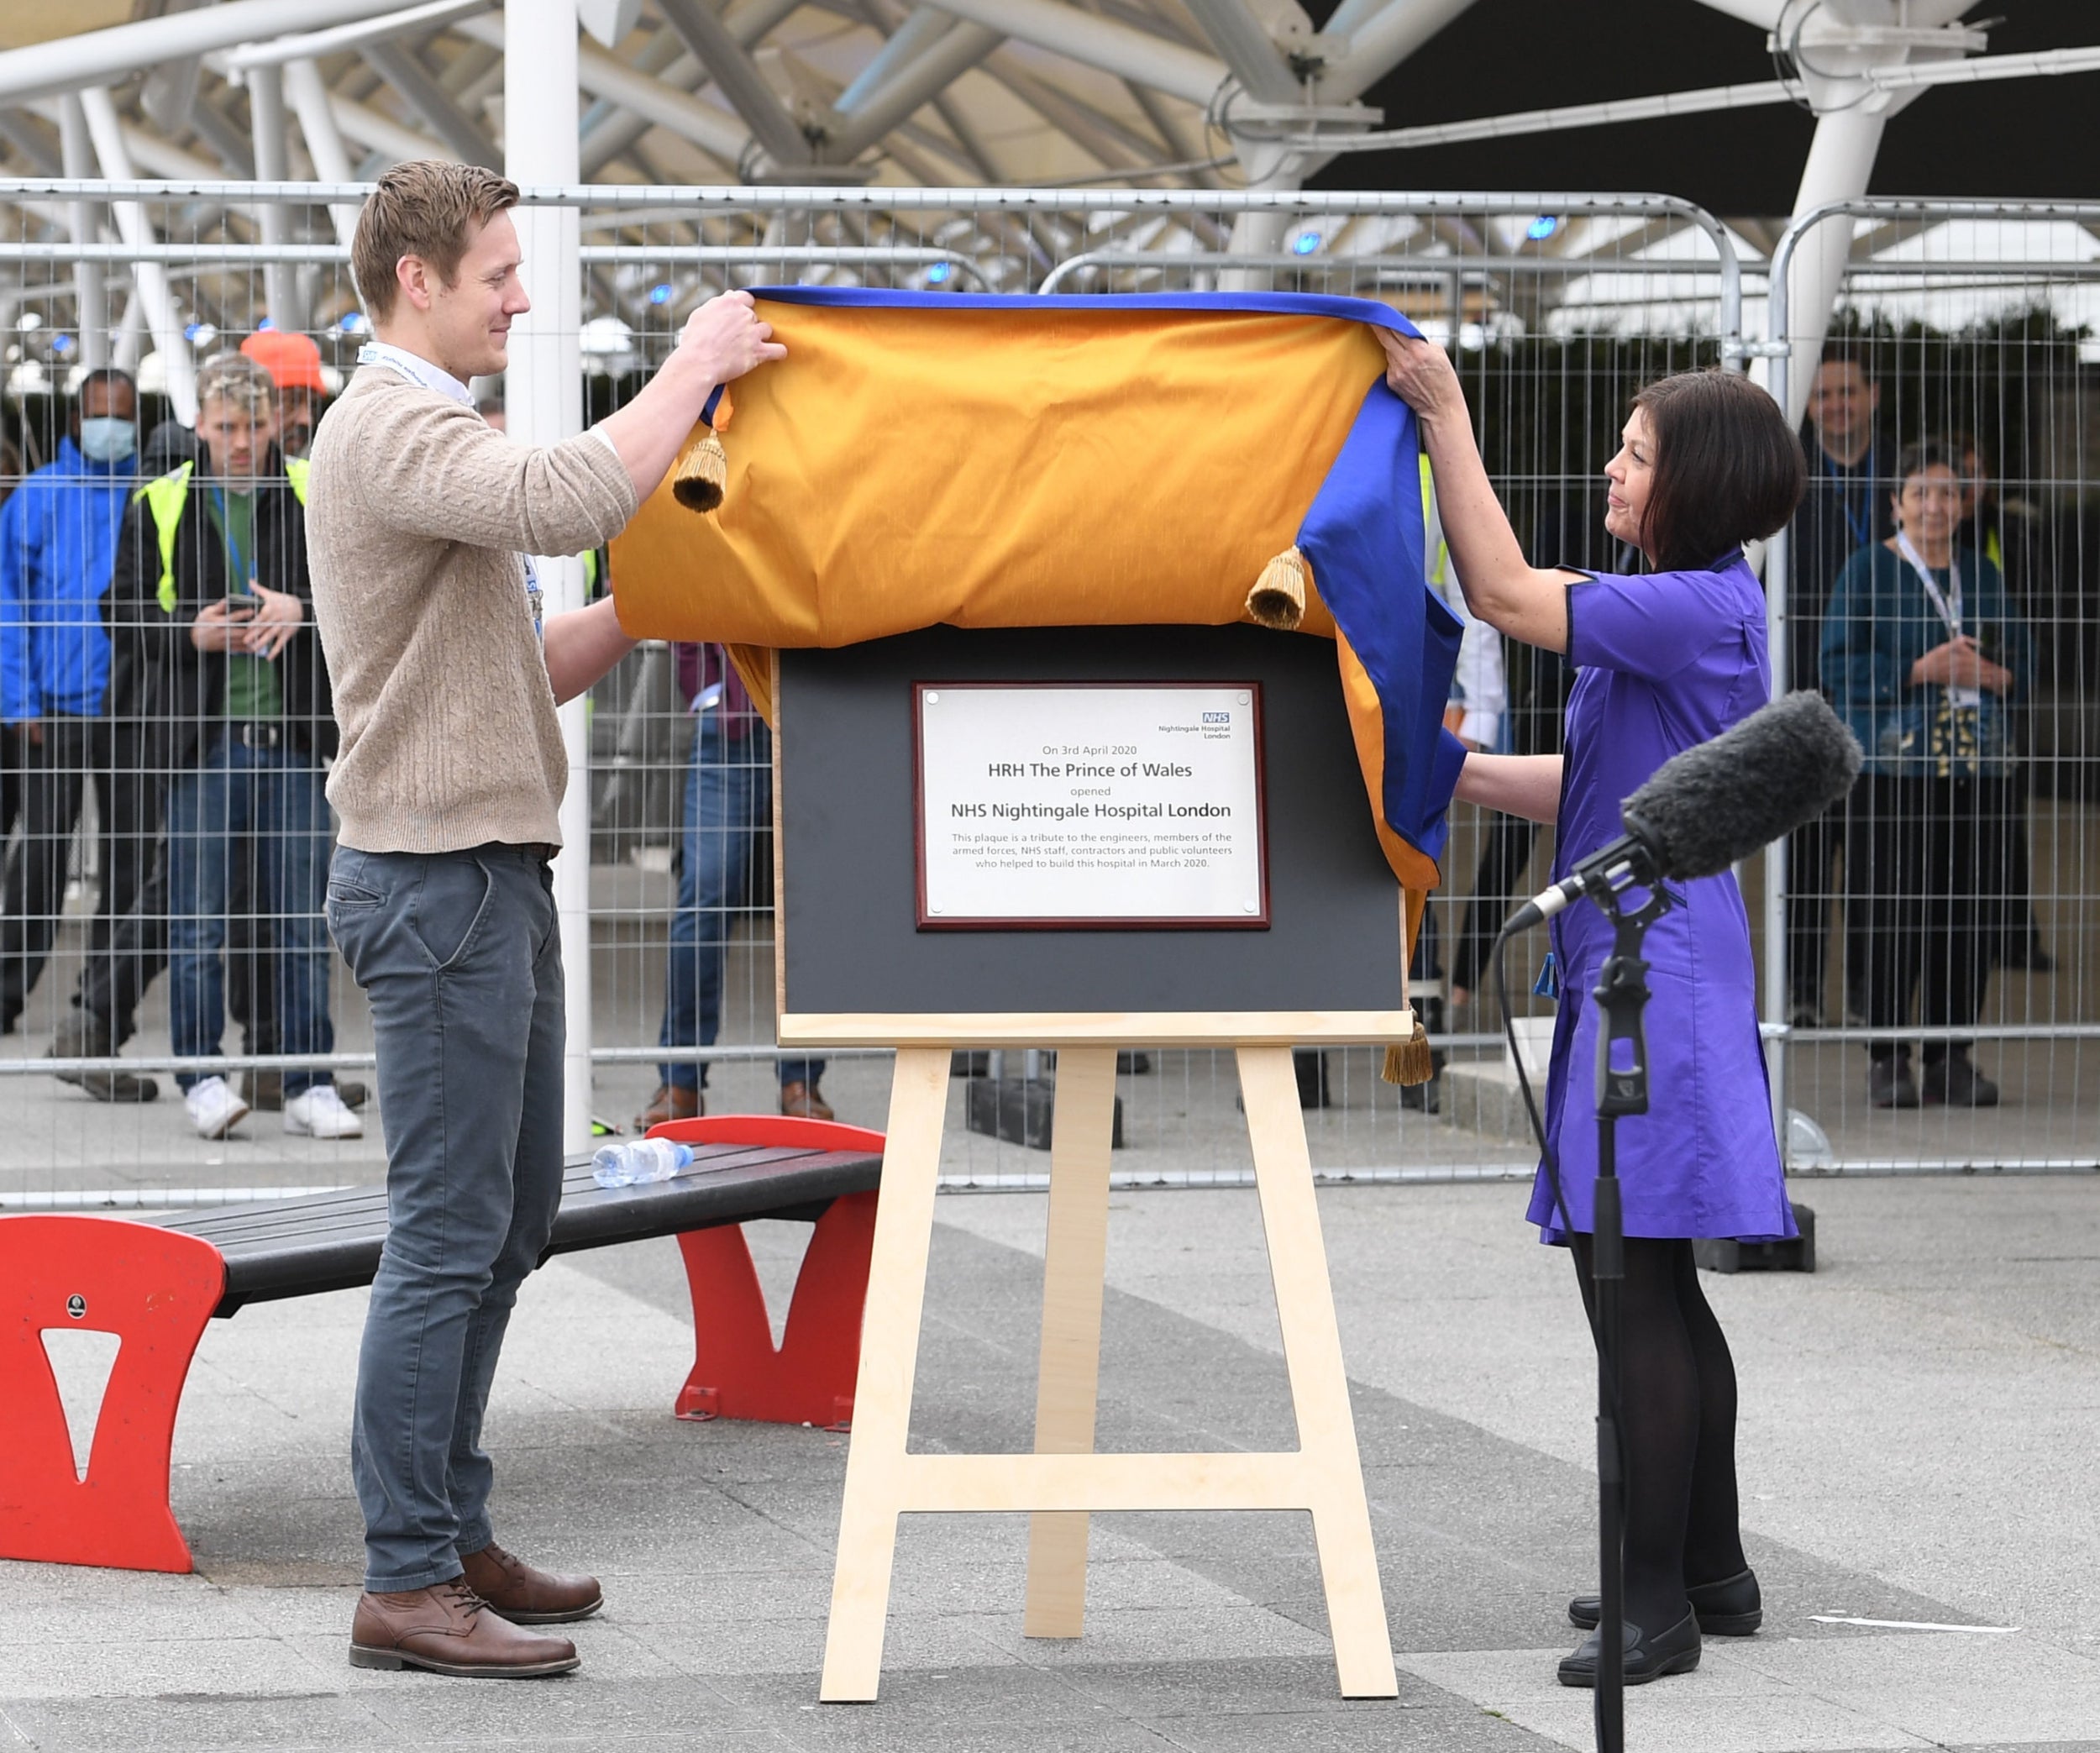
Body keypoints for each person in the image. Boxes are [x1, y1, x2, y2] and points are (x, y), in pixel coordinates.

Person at [306, 160, 781, 1680]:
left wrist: (653, 602)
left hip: (485, 875)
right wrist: (694, 368)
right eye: (500, 272)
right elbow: (565, 494)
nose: (520, 295)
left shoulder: (425, 427)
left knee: (502, 1227)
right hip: (437, 883)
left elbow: (530, 660)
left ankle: (446, 1532)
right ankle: (403, 1576)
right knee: (448, 1241)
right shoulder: (391, 425)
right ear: (418, 279)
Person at [1382, 338, 1803, 1689]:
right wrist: (1444, 770)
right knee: (1661, 1279)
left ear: (1694, 481)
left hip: (1655, 973)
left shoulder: (1684, 602)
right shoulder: (1686, 603)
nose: (1614, 468)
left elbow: (1500, 588)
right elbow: (1599, 775)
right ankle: (1708, 1571)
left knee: (1627, 1285)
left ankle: (1654, 1608)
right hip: (1659, 957)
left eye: (1634, 452)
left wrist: (1444, 410)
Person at [104, 352, 360, 1142]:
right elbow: (117, 609)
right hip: (202, 745)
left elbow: (366, 592)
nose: (241, 442)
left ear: (277, 423)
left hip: (289, 741)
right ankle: (202, 1075)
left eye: (253, 427)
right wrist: (190, 632)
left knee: (299, 919)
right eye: (225, 428)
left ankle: (308, 1080)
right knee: (198, 921)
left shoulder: (316, 492)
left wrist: (303, 608)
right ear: (201, 428)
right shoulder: (162, 501)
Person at [1821, 440, 2032, 1110]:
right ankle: (1889, 1057)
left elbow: (2022, 659)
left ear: (1965, 504)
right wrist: (1918, 672)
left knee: (1968, 910)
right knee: (1891, 909)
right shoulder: (1865, 571)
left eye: (1949, 493)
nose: (1936, 505)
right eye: (1922, 492)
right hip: (1892, 769)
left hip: (1976, 766)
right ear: (1896, 503)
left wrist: (1993, 675)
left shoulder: (1984, 574)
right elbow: (1836, 666)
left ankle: (1951, 1056)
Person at [0, 367, 152, 1037]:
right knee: (41, 855)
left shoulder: (151, 495)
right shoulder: (35, 498)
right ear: (74, 421)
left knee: (128, 853)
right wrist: (20, 701)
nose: (110, 426)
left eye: (122, 413)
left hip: (130, 710)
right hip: (54, 709)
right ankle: (7, 991)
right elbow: (8, 608)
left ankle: (102, 997)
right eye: (99, 413)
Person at [637, 641, 829, 1129]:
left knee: (809, 898)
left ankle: (802, 1077)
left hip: (813, 710)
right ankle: (680, 1080)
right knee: (705, 893)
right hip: (730, 724)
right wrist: (707, 695)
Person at [1787, 346, 1891, 1029]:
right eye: (1823, 395)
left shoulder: (1903, 481)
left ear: (1873, 396)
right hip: (1801, 683)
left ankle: (1865, 992)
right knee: (1802, 846)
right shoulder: (1786, 475)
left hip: (1883, 686)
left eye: (1848, 393)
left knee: (1874, 853)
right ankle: (1800, 991)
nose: (1836, 406)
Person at [1953, 430, 2052, 974]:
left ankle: (2016, 936)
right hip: (1944, 694)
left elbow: (2035, 605)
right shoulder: (1926, 535)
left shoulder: (2010, 530)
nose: (1966, 486)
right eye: (1957, 475)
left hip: (2001, 692)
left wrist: (2008, 671)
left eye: (1975, 474)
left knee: (2003, 817)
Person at [240, 330, 329, 459]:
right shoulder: (203, 473)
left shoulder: (309, 476)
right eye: (291, 402)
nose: (306, 420)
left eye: (313, 405)